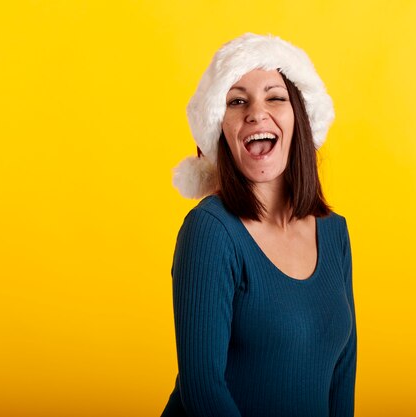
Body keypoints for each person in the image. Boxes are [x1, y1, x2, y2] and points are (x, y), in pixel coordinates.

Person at [160, 33, 357, 417]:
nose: (256, 112)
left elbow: (341, 379)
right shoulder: (210, 232)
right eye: (236, 101)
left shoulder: (335, 233)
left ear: (300, 118)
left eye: (275, 96)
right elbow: (203, 391)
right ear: (220, 131)